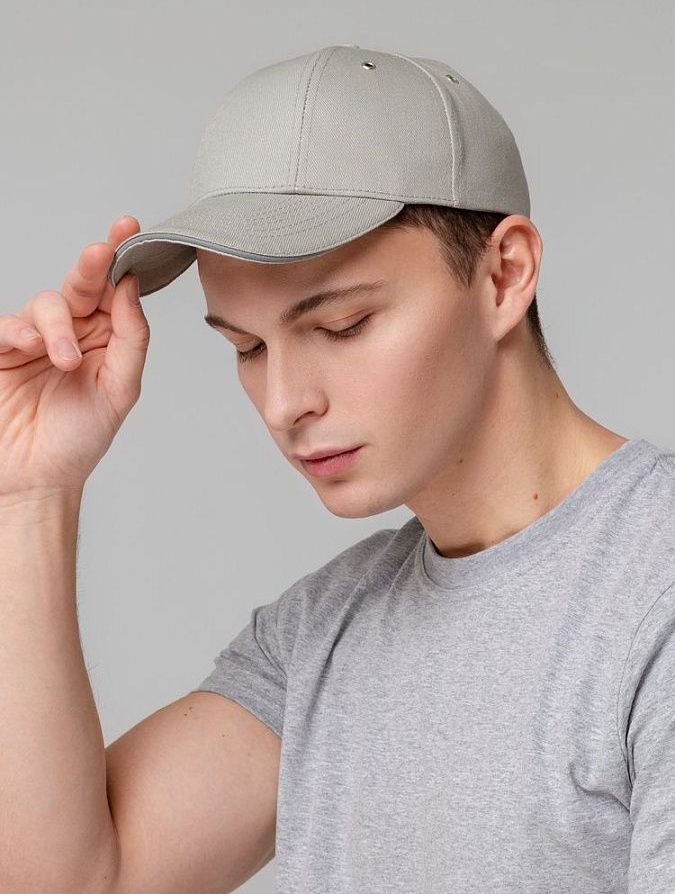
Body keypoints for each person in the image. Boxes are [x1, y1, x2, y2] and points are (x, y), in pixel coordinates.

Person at [0, 44, 673, 894]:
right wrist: (31, 494)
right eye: (247, 347)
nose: (285, 403)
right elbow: (68, 883)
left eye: (341, 326)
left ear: (504, 275)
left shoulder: (651, 594)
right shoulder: (325, 629)